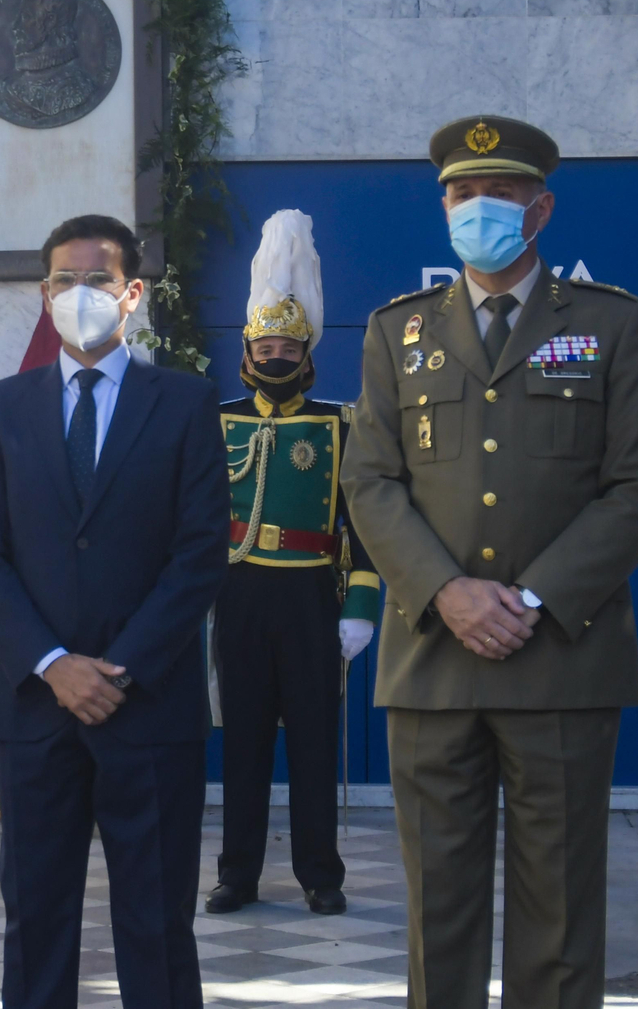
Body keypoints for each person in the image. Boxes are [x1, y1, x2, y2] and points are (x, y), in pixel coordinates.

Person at [341, 116, 638, 1009]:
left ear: (542, 208)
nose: (475, 206)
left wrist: (527, 598)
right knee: (436, 916)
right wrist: (448, 592)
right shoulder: (396, 333)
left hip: (561, 657)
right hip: (432, 663)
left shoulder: (613, 324)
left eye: (499, 192)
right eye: (460, 192)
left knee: (559, 917)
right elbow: (368, 480)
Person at [0, 215, 230, 1009]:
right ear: (44, 295)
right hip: (38, 712)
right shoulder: (2, 408)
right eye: (64, 281)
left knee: (157, 922)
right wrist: (54, 664)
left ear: (133, 293)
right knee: (36, 920)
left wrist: (118, 668)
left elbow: (199, 554)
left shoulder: (184, 403)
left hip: (147, 709)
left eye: (98, 280)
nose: (80, 295)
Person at [205, 210, 380, 918]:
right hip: (238, 591)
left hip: (312, 596)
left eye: (287, 343)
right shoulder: (212, 418)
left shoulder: (342, 422)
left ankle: (320, 873)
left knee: (314, 743)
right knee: (242, 743)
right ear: (247, 346)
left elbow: (363, 522)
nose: (275, 354)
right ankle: (236, 874)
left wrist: (362, 603)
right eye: (264, 342)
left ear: (307, 350)